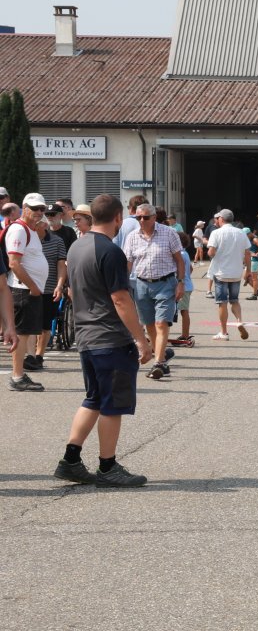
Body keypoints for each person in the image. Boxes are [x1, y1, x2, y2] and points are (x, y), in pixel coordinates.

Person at [55, 193, 153, 487]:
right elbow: (120, 299)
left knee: (94, 399)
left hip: (86, 335)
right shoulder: (110, 251)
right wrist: (141, 339)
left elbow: (74, 290)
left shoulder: (77, 246)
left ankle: (71, 460)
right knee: (112, 404)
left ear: (92, 216)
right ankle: (107, 466)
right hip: (110, 337)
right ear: (118, 218)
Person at [122, 201, 185, 380]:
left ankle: (157, 362)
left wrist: (181, 283)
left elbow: (179, 260)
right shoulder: (132, 237)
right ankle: (162, 359)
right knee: (149, 324)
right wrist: (122, 284)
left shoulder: (169, 233)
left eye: (145, 217)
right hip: (141, 284)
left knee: (161, 323)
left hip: (165, 283)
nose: (141, 221)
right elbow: (128, 263)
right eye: (138, 218)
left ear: (154, 217)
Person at [6, 194, 51, 392]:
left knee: (25, 334)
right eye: (34, 208)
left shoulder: (30, 229)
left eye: (42, 209)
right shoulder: (19, 229)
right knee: (21, 334)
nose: (39, 212)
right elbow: (14, 263)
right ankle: (17, 376)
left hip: (29, 290)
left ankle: (19, 374)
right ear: (24, 208)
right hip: (23, 290)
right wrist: (32, 286)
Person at [31, 206, 69, 369]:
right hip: (30, 288)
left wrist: (60, 286)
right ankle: (31, 355)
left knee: (45, 325)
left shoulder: (57, 241)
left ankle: (39, 355)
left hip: (49, 288)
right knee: (31, 325)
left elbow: (61, 265)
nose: (34, 226)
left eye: (37, 224)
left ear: (44, 225)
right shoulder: (28, 240)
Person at [206, 210, 250, 343]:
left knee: (222, 303)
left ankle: (224, 332)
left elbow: (211, 252)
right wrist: (248, 270)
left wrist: (211, 251)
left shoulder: (216, 233)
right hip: (236, 272)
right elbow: (247, 253)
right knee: (235, 300)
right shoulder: (241, 233)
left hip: (221, 273)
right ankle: (239, 321)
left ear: (221, 219)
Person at [244, 225, 258, 300]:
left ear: (249, 233)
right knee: (245, 277)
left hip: (255, 260)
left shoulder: (255, 239)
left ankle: (255, 295)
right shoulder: (250, 239)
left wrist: (257, 254)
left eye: (245, 235)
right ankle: (256, 291)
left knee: (254, 278)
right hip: (251, 260)